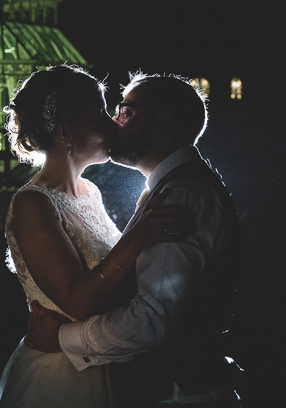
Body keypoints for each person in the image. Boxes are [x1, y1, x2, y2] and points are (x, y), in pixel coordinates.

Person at [25, 73, 244, 407]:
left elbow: (152, 319)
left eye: (125, 111)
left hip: (178, 393)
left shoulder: (180, 196)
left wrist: (60, 337)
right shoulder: (172, 190)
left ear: (162, 122)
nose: (114, 121)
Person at [0, 66, 196, 408]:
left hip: (104, 362)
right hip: (61, 378)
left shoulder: (90, 192)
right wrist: (137, 239)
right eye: (99, 113)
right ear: (66, 132)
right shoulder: (32, 204)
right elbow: (76, 301)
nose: (111, 122)